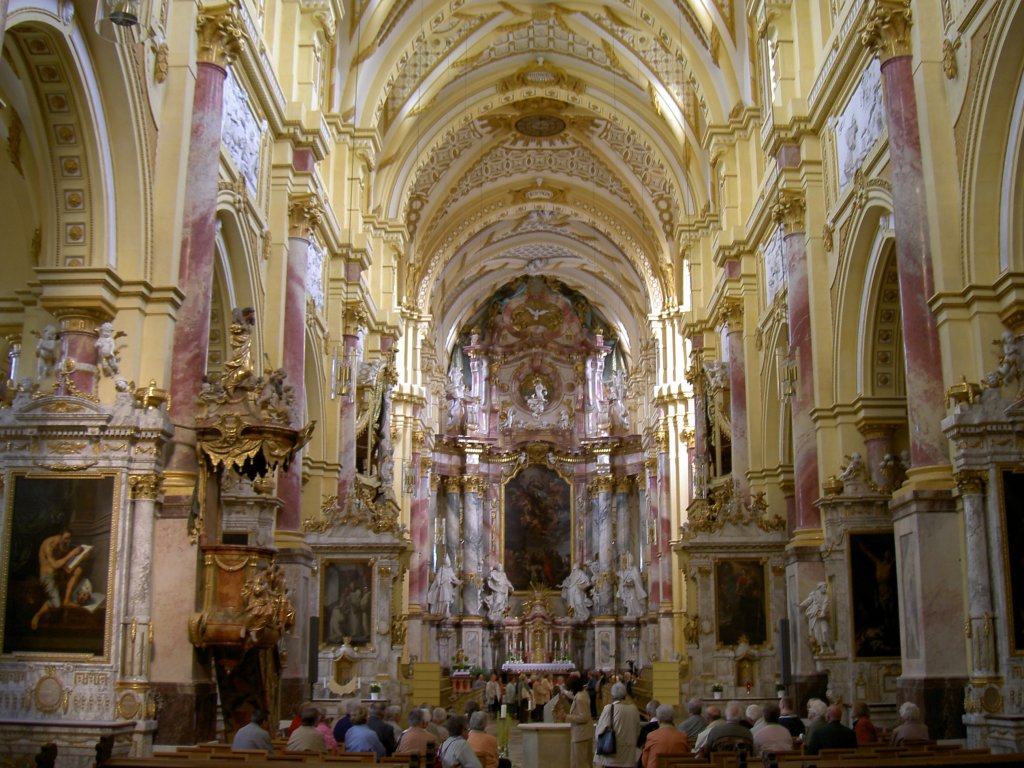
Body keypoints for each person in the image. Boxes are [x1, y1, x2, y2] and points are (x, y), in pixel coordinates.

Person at [31, 529, 90, 630]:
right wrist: (72, 554)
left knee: (78, 570)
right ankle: (37, 616)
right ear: (59, 535)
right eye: (66, 538)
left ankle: (66, 600)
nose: (67, 541)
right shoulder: (49, 544)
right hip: (47, 576)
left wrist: (82, 556)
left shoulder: (62, 543)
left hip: (58, 573)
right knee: (56, 604)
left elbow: (64, 561)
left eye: (69, 538)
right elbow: (54, 565)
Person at [594, 681, 642, 768]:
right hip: (629, 754)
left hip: (612, 753)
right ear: (625, 695)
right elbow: (637, 730)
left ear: (612, 695)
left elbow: (599, 732)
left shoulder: (609, 708)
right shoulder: (634, 709)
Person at [640, 704, 689, 768]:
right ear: (673, 719)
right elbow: (686, 758)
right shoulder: (683, 736)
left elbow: (644, 761)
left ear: (659, 720)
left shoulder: (651, 736)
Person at [565, 674, 594, 768]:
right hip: (584, 733)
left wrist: (566, 717)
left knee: (580, 763)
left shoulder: (580, 698)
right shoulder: (582, 693)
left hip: (581, 735)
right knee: (582, 762)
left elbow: (584, 717)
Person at [800, 582, 833, 654]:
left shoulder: (826, 595)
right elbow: (808, 600)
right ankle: (821, 648)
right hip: (814, 616)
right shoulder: (814, 594)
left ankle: (829, 647)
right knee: (817, 633)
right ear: (820, 587)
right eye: (824, 587)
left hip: (822, 616)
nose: (825, 589)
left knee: (825, 631)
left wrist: (822, 611)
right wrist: (801, 605)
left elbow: (825, 603)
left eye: (826, 587)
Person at [618, 553, 647, 620]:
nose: (625, 561)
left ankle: (638, 611)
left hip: (633, 589)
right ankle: (630, 611)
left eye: (627, 560)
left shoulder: (634, 569)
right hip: (627, 589)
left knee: (633, 599)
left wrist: (632, 582)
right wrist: (624, 583)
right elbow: (622, 580)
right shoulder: (624, 571)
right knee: (628, 601)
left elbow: (637, 580)